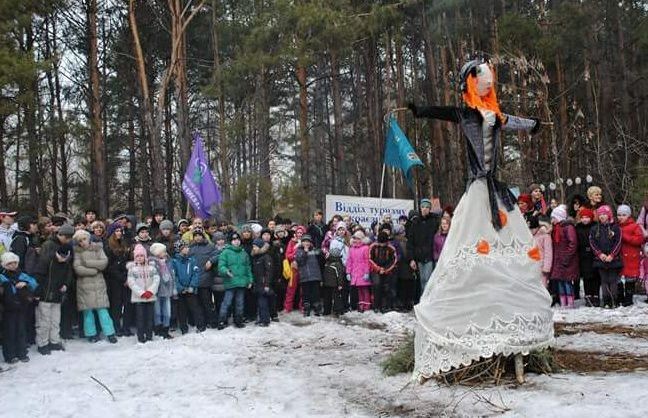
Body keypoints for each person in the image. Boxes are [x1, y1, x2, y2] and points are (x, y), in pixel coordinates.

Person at [408, 59, 552, 380]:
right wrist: (420, 111)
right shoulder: (466, 114)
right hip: (478, 189)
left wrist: (534, 125)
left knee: (506, 247)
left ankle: (507, 315)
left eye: (490, 81)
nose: (488, 85)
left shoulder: (495, 116)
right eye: (483, 80)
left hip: (495, 191)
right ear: (472, 83)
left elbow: (515, 121)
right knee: (472, 243)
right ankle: (463, 316)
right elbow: (443, 112)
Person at [72, 230, 117, 343]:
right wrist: (94, 271)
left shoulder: (98, 248)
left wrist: (88, 263)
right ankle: (91, 334)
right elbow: (78, 268)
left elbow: (104, 262)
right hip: (84, 285)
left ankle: (110, 333)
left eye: (84, 239)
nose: (83, 242)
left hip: (98, 283)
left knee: (103, 310)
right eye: (80, 241)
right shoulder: (77, 252)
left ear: (88, 238)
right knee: (88, 312)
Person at [0, 252, 38, 363]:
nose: (12, 265)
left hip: (21, 307)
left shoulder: (21, 274)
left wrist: (25, 283)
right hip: (7, 308)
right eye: (9, 263)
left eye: (14, 263)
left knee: (21, 330)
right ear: (4, 264)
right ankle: (10, 355)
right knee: (9, 332)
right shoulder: (2, 276)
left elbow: (34, 283)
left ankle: (21, 352)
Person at [217, 232, 254, 329]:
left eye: (238, 239)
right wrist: (226, 271)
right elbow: (221, 266)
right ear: (230, 241)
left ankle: (238, 320)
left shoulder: (244, 253)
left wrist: (250, 280)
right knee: (227, 302)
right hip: (230, 282)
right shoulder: (225, 252)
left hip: (242, 282)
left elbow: (248, 268)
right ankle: (221, 320)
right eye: (234, 240)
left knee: (240, 303)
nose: (236, 241)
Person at [589, 205, 622, 308]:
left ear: (608, 215)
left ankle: (614, 300)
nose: (602, 216)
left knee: (612, 280)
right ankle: (606, 300)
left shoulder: (615, 228)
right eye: (600, 214)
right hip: (600, 259)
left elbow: (618, 242)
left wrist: (612, 255)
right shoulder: (595, 229)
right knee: (604, 280)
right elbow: (592, 242)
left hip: (613, 259)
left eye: (604, 214)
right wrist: (599, 254)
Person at [126, 244, 160, 343]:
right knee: (140, 318)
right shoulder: (132, 269)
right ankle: (141, 337)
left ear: (145, 257)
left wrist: (150, 291)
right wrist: (141, 293)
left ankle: (149, 335)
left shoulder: (152, 268)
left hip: (150, 297)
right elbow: (131, 282)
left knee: (150, 317)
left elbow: (156, 280)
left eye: (141, 256)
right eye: (137, 256)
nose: (140, 258)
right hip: (139, 298)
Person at [406, 199, 440, 295]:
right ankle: (422, 302)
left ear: (430, 209)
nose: (424, 209)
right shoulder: (415, 223)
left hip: (430, 256)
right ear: (420, 208)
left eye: (427, 207)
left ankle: (427, 302)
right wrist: (411, 259)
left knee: (429, 280)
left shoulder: (434, 221)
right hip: (418, 257)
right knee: (421, 282)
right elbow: (410, 242)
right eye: (423, 207)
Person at [104, 226, 133, 336]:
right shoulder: (108, 247)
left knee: (127, 304)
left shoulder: (125, 245)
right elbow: (110, 266)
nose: (119, 233)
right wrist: (122, 278)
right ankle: (116, 327)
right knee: (116, 305)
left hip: (126, 278)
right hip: (115, 280)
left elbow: (128, 262)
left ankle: (126, 327)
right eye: (117, 231)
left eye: (121, 231)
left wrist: (127, 277)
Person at [172, 240, 205, 334]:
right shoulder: (174, 262)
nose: (188, 249)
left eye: (187, 247)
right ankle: (183, 328)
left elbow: (196, 273)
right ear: (179, 250)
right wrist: (180, 288)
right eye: (185, 247)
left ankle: (200, 325)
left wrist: (192, 286)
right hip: (181, 291)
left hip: (191, 290)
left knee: (195, 307)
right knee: (181, 310)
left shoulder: (192, 260)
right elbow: (174, 276)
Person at [549, 206, 579, 308]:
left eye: (553, 218)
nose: (552, 220)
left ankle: (570, 301)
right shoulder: (556, 228)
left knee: (567, 281)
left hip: (567, 259)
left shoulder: (568, 228)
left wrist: (566, 257)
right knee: (560, 281)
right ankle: (563, 301)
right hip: (558, 259)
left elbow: (573, 243)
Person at [188, 228, 219, 328]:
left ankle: (212, 321)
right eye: (195, 236)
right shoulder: (190, 248)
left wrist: (211, 260)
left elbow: (217, 254)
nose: (197, 237)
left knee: (208, 302)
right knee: (197, 304)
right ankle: (201, 323)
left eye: (199, 235)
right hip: (194, 280)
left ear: (203, 236)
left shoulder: (209, 246)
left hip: (205, 278)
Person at [617, 204, 643, 306]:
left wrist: (624, 236)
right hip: (620, 256)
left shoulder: (635, 226)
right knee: (617, 278)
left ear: (628, 215)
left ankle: (628, 299)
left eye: (623, 215)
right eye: (619, 215)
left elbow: (639, 240)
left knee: (630, 279)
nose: (621, 217)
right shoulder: (616, 226)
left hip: (631, 257)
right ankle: (620, 297)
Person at [150, 243, 176, 338]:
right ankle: (158, 328)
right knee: (157, 311)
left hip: (167, 289)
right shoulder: (152, 263)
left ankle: (165, 328)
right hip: (157, 290)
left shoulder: (168, 261)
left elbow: (171, 275)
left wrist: (173, 288)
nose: (165, 253)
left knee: (167, 311)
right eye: (163, 251)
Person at [369, 231, 398, 313]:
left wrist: (385, 270)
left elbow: (394, 261)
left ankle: (385, 306)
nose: (382, 245)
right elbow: (370, 259)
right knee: (377, 285)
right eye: (380, 243)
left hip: (387, 270)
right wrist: (378, 269)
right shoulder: (373, 246)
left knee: (387, 287)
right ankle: (376, 306)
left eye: (383, 243)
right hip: (376, 270)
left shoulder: (391, 248)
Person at [575, 208, 599, 307]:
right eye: (583, 217)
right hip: (583, 255)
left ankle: (596, 296)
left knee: (596, 277)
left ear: (591, 218)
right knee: (586, 277)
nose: (585, 219)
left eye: (587, 217)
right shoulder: (578, 228)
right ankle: (588, 296)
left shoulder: (595, 227)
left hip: (594, 254)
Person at [295, 234, 323, 316]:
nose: (306, 243)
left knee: (316, 293)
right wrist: (305, 252)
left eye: (308, 241)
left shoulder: (314, 250)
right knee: (305, 294)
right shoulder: (299, 251)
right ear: (302, 243)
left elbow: (320, 261)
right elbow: (300, 261)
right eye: (304, 241)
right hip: (305, 276)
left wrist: (321, 253)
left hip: (315, 276)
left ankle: (317, 308)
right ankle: (306, 309)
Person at [346, 230, 372, 312]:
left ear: (362, 239)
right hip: (355, 272)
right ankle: (361, 304)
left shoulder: (365, 248)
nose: (356, 240)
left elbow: (367, 261)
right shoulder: (351, 249)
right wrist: (348, 272)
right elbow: (349, 261)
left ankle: (367, 304)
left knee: (364, 289)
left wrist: (367, 272)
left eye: (358, 239)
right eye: (355, 238)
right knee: (359, 289)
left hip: (363, 271)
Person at [251, 238, 274, 325]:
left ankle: (265, 320)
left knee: (263, 302)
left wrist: (267, 284)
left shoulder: (266, 257)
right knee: (260, 303)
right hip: (257, 283)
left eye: (255, 246)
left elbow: (269, 271)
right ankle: (261, 318)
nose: (254, 248)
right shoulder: (256, 257)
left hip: (264, 283)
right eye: (253, 246)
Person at [284, 226, 305, 313]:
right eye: (298, 233)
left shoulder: (307, 242)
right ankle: (288, 307)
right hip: (294, 268)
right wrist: (295, 252)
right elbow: (287, 255)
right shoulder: (292, 242)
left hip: (304, 268)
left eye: (301, 233)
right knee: (291, 288)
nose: (299, 234)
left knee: (303, 289)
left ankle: (302, 306)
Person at [322, 245, 346, 316]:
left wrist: (340, 284)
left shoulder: (337, 264)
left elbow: (340, 275)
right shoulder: (327, 262)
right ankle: (327, 310)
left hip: (335, 285)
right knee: (327, 298)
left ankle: (338, 310)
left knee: (336, 298)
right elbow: (324, 273)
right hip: (327, 284)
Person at [531, 216, 553, 289]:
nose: (531, 230)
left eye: (533, 228)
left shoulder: (545, 236)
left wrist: (546, 267)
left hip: (542, 265)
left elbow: (548, 252)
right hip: (532, 265)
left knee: (542, 287)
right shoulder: (531, 236)